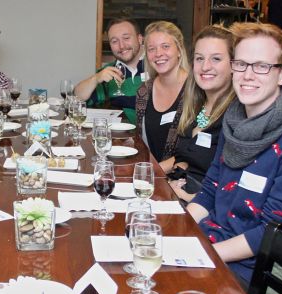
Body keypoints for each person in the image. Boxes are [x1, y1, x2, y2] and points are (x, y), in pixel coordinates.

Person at [186, 22, 282, 287]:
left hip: (249, 269)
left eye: (261, 66)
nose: (247, 75)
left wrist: (205, 255)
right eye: (241, 64)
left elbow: (272, 232)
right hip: (209, 241)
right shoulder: (234, 121)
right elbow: (210, 190)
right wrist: (178, 229)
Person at [166, 25, 235, 203]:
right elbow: (185, 158)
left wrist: (185, 196)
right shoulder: (195, 106)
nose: (205, 66)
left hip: (202, 209)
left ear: (234, 65)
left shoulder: (236, 116)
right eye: (199, 58)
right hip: (178, 194)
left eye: (216, 59)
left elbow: (232, 189)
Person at [135, 21, 189, 163]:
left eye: (165, 46)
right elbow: (143, 145)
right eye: (151, 49)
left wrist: (152, 172)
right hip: (150, 176)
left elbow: (195, 151)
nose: (158, 54)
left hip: (182, 178)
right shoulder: (144, 91)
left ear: (179, 49)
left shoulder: (196, 90)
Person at [74, 18, 145, 122]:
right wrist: (95, 79)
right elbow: (77, 98)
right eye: (114, 41)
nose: (121, 46)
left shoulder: (157, 66)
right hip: (123, 136)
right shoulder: (108, 72)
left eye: (126, 38)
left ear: (139, 39)